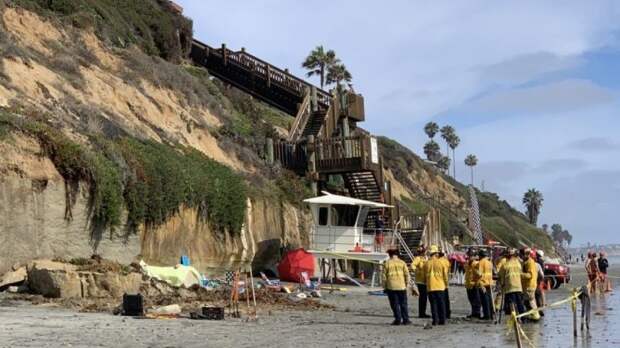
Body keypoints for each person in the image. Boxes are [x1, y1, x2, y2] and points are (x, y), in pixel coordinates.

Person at [383, 249, 411, 325]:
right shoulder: (402, 263)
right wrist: (407, 284)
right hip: (402, 286)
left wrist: (384, 287)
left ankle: (398, 319)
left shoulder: (387, 263)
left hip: (391, 287)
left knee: (394, 304)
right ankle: (406, 320)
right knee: (403, 304)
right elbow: (407, 275)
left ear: (390, 255)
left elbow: (384, 277)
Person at [425, 245, 448, 325]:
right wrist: (446, 284)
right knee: (441, 304)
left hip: (431, 286)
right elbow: (445, 275)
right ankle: (442, 320)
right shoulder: (441, 262)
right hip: (440, 286)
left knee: (433, 305)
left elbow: (425, 275)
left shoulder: (427, 263)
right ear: (436, 254)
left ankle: (435, 320)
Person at [498, 248, 525, 315]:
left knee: (511, 303)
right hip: (518, 287)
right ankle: (523, 317)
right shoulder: (518, 264)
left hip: (510, 288)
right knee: (519, 303)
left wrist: (502, 284)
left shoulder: (505, 265)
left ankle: (513, 317)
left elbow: (500, 275)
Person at [520, 248, 541, 321]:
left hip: (529, 286)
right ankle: (533, 316)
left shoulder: (529, 262)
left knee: (530, 301)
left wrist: (520, 274)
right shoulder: (526, 262)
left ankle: (535, 316)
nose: (521, 257)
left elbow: (530, 275)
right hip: (528, 285)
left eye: (522, 255)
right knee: (527, 301)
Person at [411, 246, 430, 318]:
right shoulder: (418, 259)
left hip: (426, 281)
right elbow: (413, 265)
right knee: (423, 297)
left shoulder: (426, 258)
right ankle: (421, 313)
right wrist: (417, 271)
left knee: (424, 298)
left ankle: (423, 312)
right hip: (421, 281)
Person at [477, 249, 494, 320]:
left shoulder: (481, 262)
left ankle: (487, 316)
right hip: (489, 282)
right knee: (490, 300)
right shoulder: (490, 262)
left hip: (483, 283)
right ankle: (491, 315)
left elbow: (479, 274)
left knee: (485, 300)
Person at [464, 248, 481, 319]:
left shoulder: (476, 264)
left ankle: (477, 313)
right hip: (469, 285)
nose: (469, 257)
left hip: (474, 284)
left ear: (474, 256)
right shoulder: (468, 263)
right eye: (469, 255)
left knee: (476, 300)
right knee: (471, 300)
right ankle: (473, 313)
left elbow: (479, 274)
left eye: (471, 255)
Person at [438, 247, 451, 319]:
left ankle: (442, 313)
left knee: (441, 300)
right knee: (446, 300)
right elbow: (448, 271)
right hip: (445, 282)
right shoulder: (447, 261)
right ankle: (447, 313)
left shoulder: (438, 261)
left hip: (440, 283)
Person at [534, 250, 546, 316]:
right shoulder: (542, 261)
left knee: (539, 292)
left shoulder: (539, 262)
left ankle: (542, 305)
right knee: (541, 292)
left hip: (539, 278)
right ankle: (543, 304)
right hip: (541, 277)